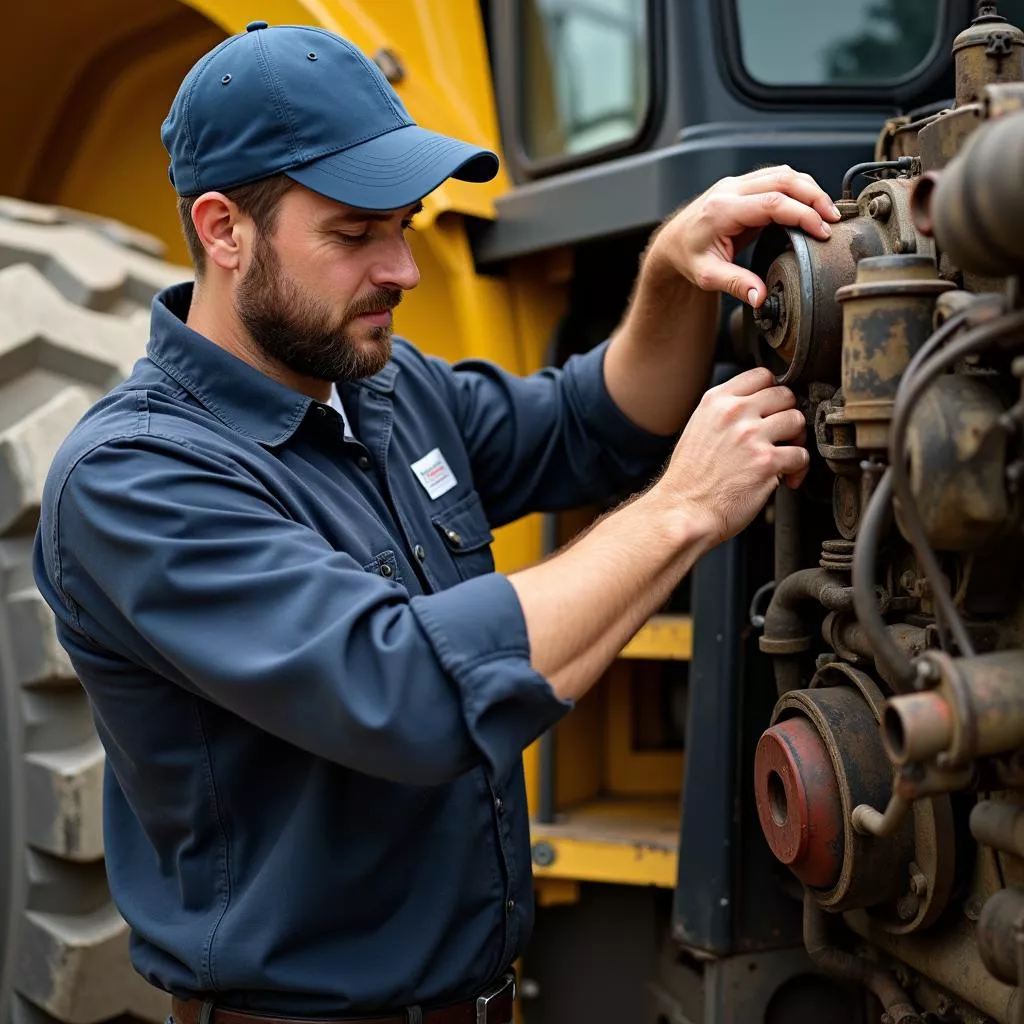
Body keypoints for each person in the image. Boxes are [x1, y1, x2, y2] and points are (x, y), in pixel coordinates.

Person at [32, 19, 839, 1024]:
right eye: (353, 233)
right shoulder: (138, 479)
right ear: (223, 230)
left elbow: (593, 423)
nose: (402, 269)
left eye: (403, 225)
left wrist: (671, 271)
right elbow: (405, 691)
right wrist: (681, 510)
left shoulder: (383, 387)